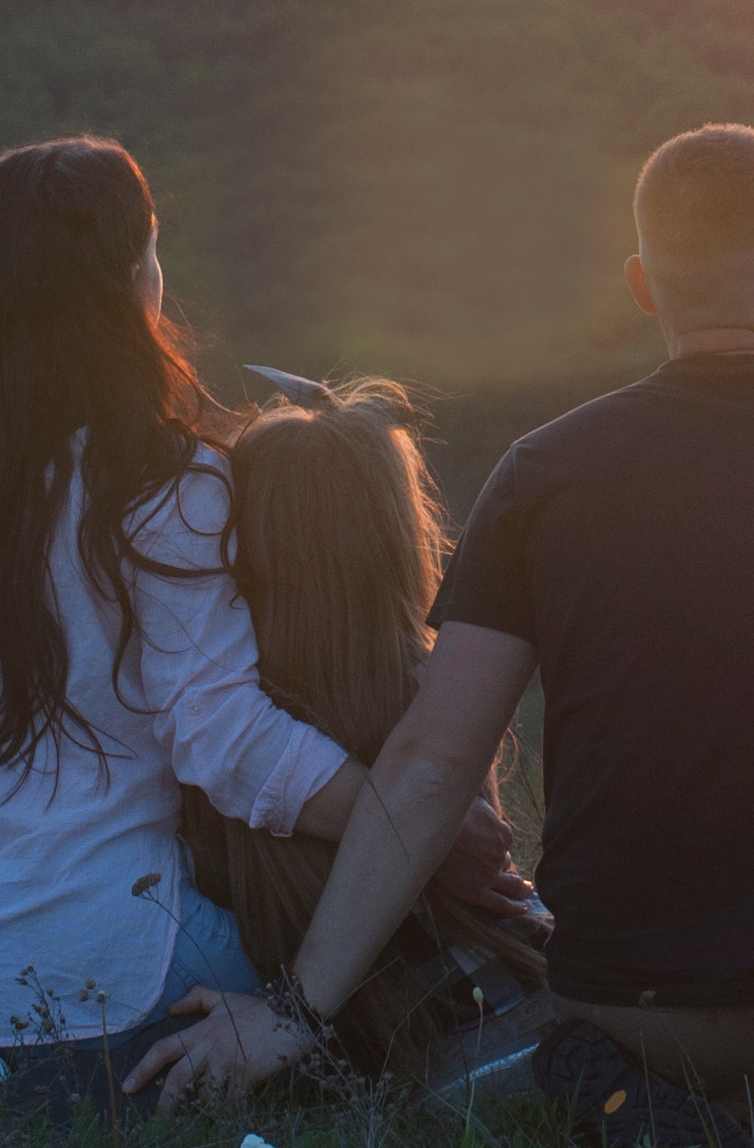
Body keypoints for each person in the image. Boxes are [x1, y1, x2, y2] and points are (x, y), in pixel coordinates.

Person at [139, 123, 754, 1134]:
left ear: (644, 285)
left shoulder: (541, 473)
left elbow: (431, 766)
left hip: (621, 1011)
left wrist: (296, 1009)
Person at [0, 138, 360, 1111]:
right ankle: (56, 1077)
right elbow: (222, 739)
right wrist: (391, 813)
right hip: (113, 959)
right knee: (335, 969)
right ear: (133, 277)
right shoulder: (167, 480)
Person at [180, 374, 550, 1075]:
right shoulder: (432, 687)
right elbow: (494, 870)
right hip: (503, 1006)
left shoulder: (219, 721)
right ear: (394, 533)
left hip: (353, 1038)